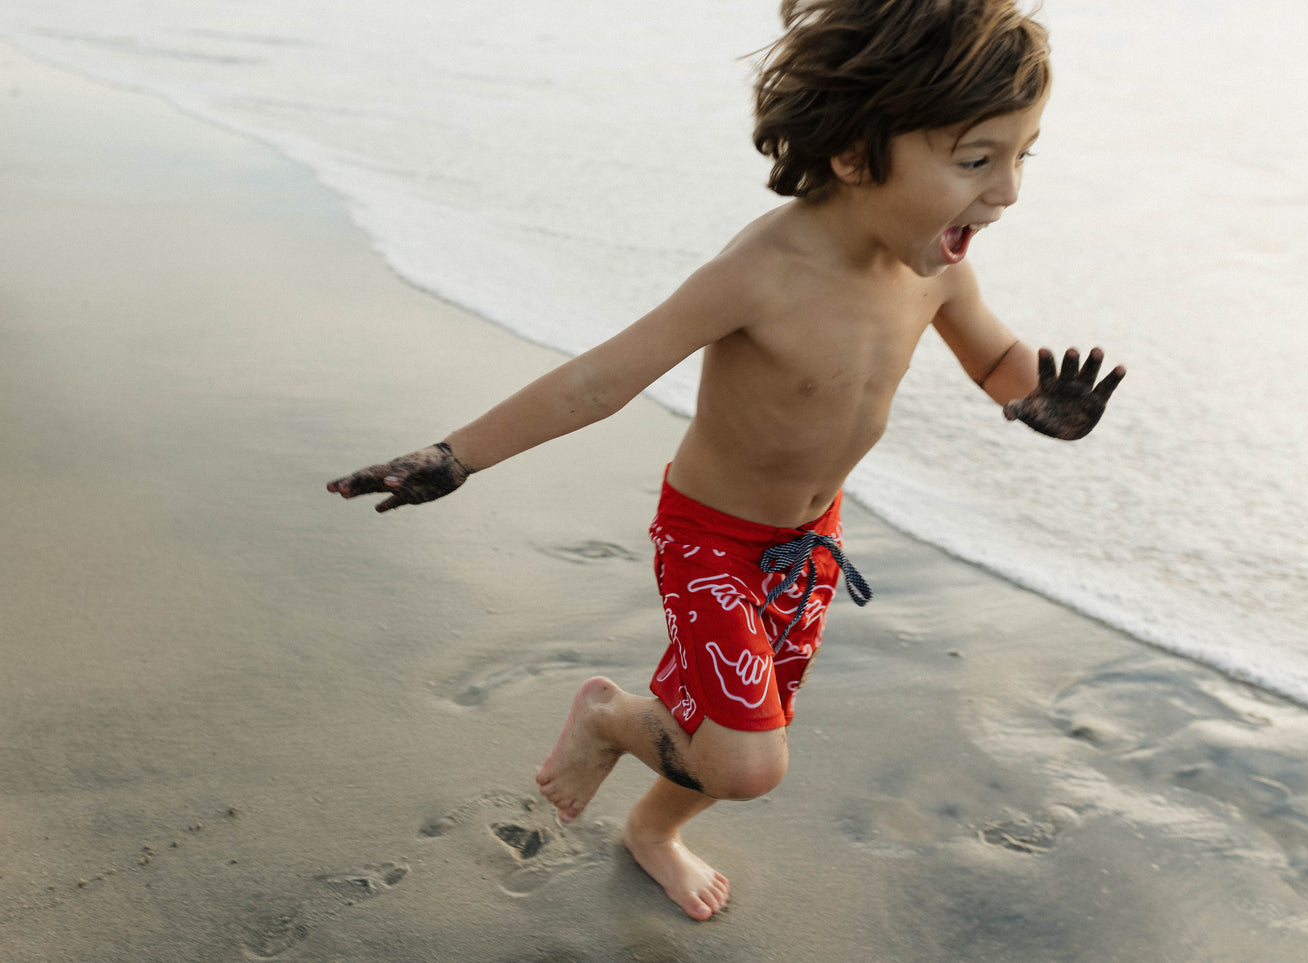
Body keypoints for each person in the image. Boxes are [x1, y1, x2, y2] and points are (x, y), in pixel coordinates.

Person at [327, 0, 1124, 922]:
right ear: (856, 153)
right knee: (749, 758)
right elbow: (600, 380)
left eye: (1023, 156)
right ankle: (609, 718)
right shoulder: (763, 271)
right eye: (978, 160)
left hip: (808, 541)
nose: (1009, 190)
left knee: (739, 733)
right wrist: (455, 456)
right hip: (711, 542)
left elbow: (993, 361)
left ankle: (653, 830)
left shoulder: (936, 267)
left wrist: (1036, 403)